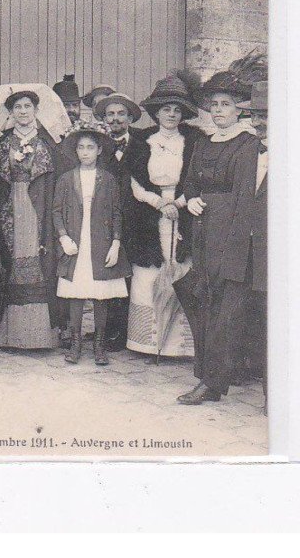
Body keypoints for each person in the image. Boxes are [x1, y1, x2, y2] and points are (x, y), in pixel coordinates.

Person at [173, 65, 260, 405]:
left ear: (240, 108)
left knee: (226, 307)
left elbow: (244, 197)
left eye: (225, 104)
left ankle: (213, 381)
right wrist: (192, 199)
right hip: (203, 233)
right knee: (203, 301)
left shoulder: (248, 146)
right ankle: (212, 373)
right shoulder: (203, 143)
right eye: (214, 104)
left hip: (232, 237)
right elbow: (190, 183)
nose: (219, 110)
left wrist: (234, 246)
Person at [125, 76, 202, 359]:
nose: (171, 115)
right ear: (156, 112)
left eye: (177, 110)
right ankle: (147, 343)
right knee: (149, 273)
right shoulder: (142, 140)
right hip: (149, 213)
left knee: (180, 268)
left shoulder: (193, 142)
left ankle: (178, 347)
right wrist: (159, 203)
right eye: (166, 109)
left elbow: (196, 178)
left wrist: (178, 203)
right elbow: (134, 181)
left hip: (183, 211)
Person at [0, 86, 61, 350]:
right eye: (18, 107)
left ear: (36, 111)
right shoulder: (2, 143)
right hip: (10, 207)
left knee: (40, 262)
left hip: (39, 205)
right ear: (11, 112)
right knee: (10, 263)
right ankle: (9, 334)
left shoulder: (48, 142)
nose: (23, 112)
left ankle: (39, 335)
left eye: (28, 107)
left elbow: (54, 180)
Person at [53, 120, 132, 365]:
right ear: (75, 151)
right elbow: (56, 211)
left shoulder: (108, 179)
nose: (85, 152)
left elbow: (117, 212)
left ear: (99, 150)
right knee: (77, 293)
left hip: (100, 241)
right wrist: (64, 236)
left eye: (90, 147)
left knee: (100, 294)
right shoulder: (66, 179)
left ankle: (99, 344)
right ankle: (76, 342)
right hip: (77, 241)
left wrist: (116, 243)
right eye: (81, 147)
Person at [92, 92, 145, 350]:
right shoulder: (97, 149)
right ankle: (106, 330)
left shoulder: (142, 146)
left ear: (130, 118)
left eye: (121, 114)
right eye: (110, 114)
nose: (115, 119)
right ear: (104, 118)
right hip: (105, 220)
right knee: (107, 271)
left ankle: (128, 332)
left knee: (131, 274)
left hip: (137, 219)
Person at [236, 81, 268, 407]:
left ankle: (276, 396)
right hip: (244, 249)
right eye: (255, 115)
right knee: (244, 310)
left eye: (266, 115)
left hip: (276, 251)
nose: (258, 122)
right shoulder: (247, 151)